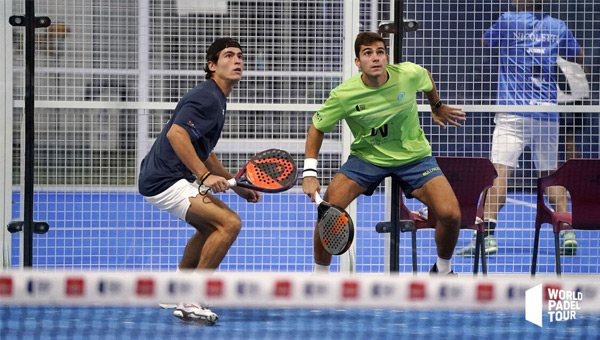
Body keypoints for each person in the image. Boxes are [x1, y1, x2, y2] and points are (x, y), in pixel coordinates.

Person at [302, 32, 467, 275]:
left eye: (380, 52)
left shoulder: (408, 74)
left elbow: (426, 78)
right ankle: (320, 279)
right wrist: (309, 172)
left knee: (451, 214)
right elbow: (317, 128)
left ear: (387, 56)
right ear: (358, 62)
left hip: (414, 157)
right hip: (367, 158)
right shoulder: (344, 95)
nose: (375, 58)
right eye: (368, 53)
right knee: (329, 211)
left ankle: (442, 271)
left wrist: (437, 105)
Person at [138, 38, 261, 325]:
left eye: (240, 56)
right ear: (212, 65)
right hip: (165, 179)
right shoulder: (207, 96)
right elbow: (176, 135)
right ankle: (191, 299)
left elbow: (203, 149)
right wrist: (205, 177)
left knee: (210, 228)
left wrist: (236, 184)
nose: (237, 60)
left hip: (165, 177)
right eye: (228, 56)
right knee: (229, 224)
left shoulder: (217, 97)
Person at [456, 0, 586, 257]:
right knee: (551, 176)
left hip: (513, 114)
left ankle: (487, 237)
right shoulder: (558, 26)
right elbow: (578, 57)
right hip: (547, 114)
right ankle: (568, 230)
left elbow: (486, 42)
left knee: (498, 176)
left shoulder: (507, 20)